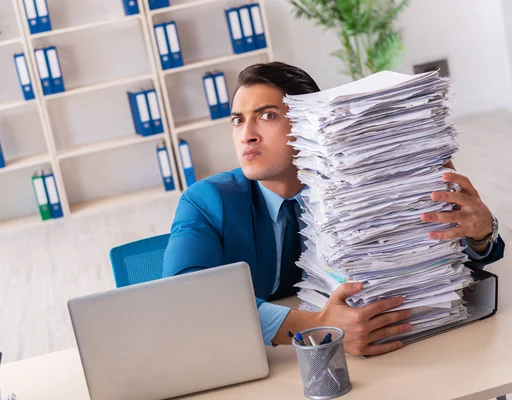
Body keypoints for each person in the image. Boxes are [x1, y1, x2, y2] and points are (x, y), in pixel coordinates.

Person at [162, 62, 505, 356]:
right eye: (238, 121)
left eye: (267, 115)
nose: (247, 135)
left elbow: (431, 257)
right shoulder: (206, 201)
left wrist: (480, 232)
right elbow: (187, 298)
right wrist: (312, 326)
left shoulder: (359, 187)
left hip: (382, 348)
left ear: (310, 123)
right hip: (265, 356)